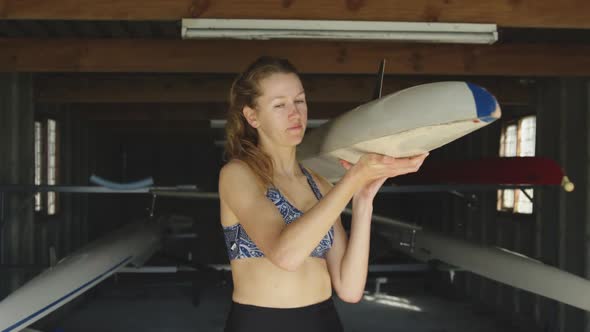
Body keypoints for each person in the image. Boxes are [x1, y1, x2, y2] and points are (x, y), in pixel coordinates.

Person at [219, 56, 428, 332]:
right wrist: (353, 177)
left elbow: (350, 289)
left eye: (300, 101)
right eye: (280, 105)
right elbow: (286, 256)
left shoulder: (320, 186)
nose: (295, 113)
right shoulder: (238, 174)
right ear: (252, 116)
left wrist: (362, 199)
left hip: (323, 320)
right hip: (261, 323)